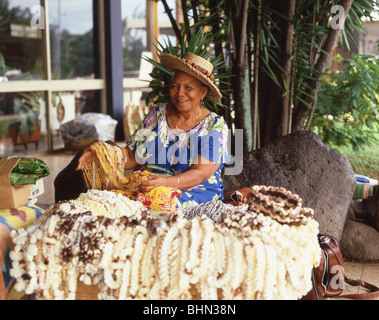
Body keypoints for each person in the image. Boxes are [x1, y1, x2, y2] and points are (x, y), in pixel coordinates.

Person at [71, 52, 229, 210]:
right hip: (148, 186)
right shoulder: (158, 114)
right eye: (175, 86)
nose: (180, 93)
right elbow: (133, 155)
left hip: (193, 191)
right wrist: (103, 154)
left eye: (188, 88)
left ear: (203, 92)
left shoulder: (214, 126)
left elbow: (200, 173)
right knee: (105, 201)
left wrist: (166, 182)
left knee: (154, 203)